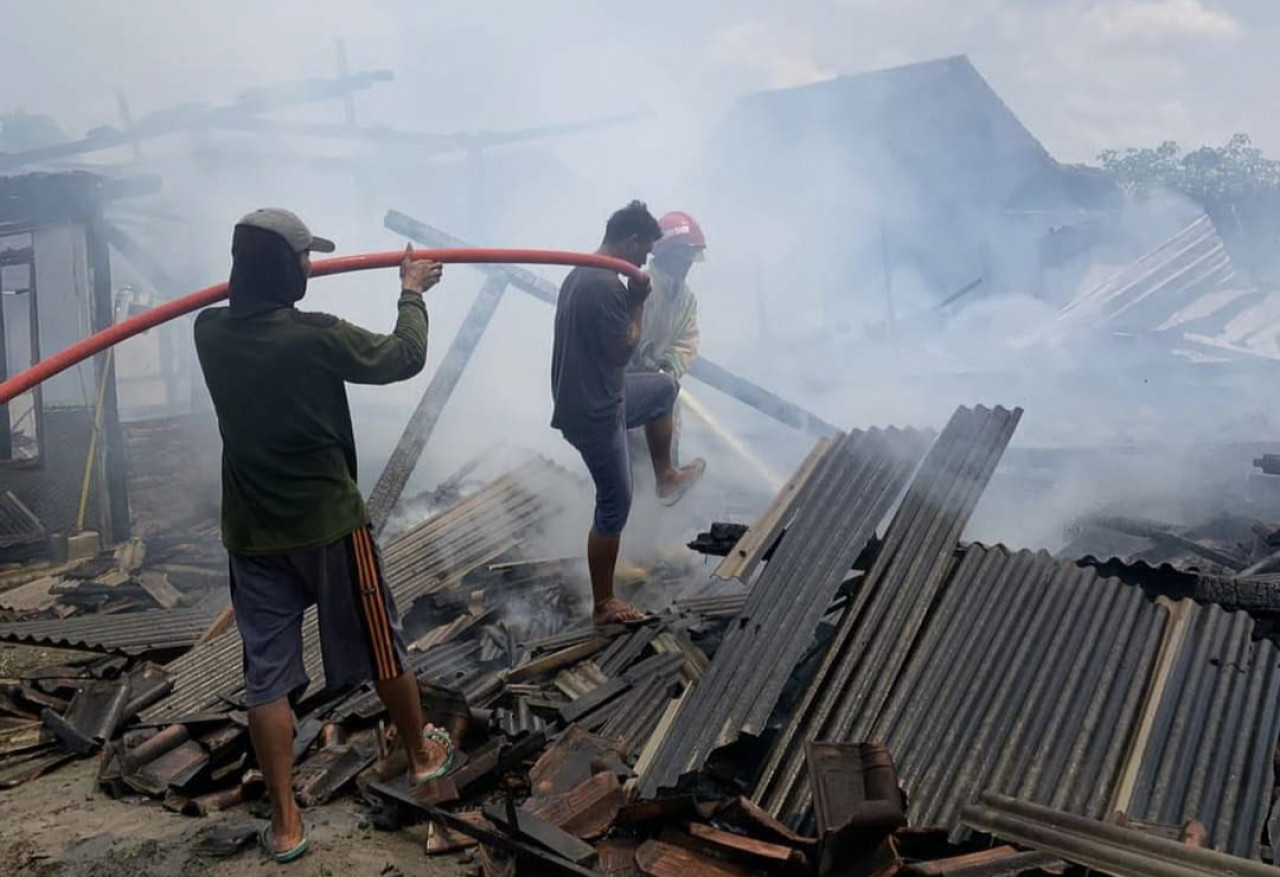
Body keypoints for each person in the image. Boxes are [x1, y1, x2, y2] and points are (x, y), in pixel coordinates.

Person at [193, 208, 452, 863]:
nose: (312, 267)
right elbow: (404, 355)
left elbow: (238, 309)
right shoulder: (315, 337)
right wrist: (411, 292)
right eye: (304, 259)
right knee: (382, 642)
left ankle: (285, 824)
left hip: (253, 535)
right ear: (285, 270)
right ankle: (422, 753)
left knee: (267, 678)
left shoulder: (208, 332)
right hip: (332, 525)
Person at [550, 200, 707, 627]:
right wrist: (636, 300)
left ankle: (666, 475)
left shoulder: (587, 273)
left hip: (606, 393)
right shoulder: (609, 285)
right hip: (596, 409)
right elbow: (624, 348)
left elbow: (678, 343)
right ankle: (604, 604)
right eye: (645, 250)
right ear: (632, 240)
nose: (645, 259)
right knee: (616, 499)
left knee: (664, 391)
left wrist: (668, 365)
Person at [629, 210, 705, 465]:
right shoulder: (640, 284)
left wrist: (669, 364)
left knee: (663, 464)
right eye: (683, 259)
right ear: (667, 256)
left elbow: (688, 340)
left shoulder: (686, 300)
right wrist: (636, 356)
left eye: (690, 260)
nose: (688, 266)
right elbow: (620, 331)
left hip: (662, 394)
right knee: (625, 472)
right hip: (626, 390)